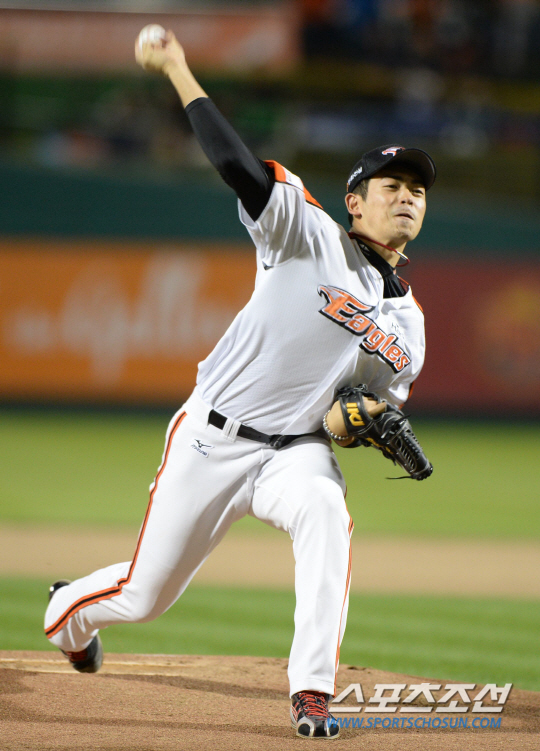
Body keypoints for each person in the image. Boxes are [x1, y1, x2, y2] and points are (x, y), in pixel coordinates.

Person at [44, 30, 436, 740]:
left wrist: (362, 423)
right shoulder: (307, 233)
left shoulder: (410, 325)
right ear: (355, 202)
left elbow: (352, 413)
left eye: (416, 191)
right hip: (213, 436)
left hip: (295, 451)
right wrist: (177, 67)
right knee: (144, 596)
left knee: (326, 511)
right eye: (392, 187)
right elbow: (235, 164)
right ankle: (66, 612)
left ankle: (312, 692)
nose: (406, 197)